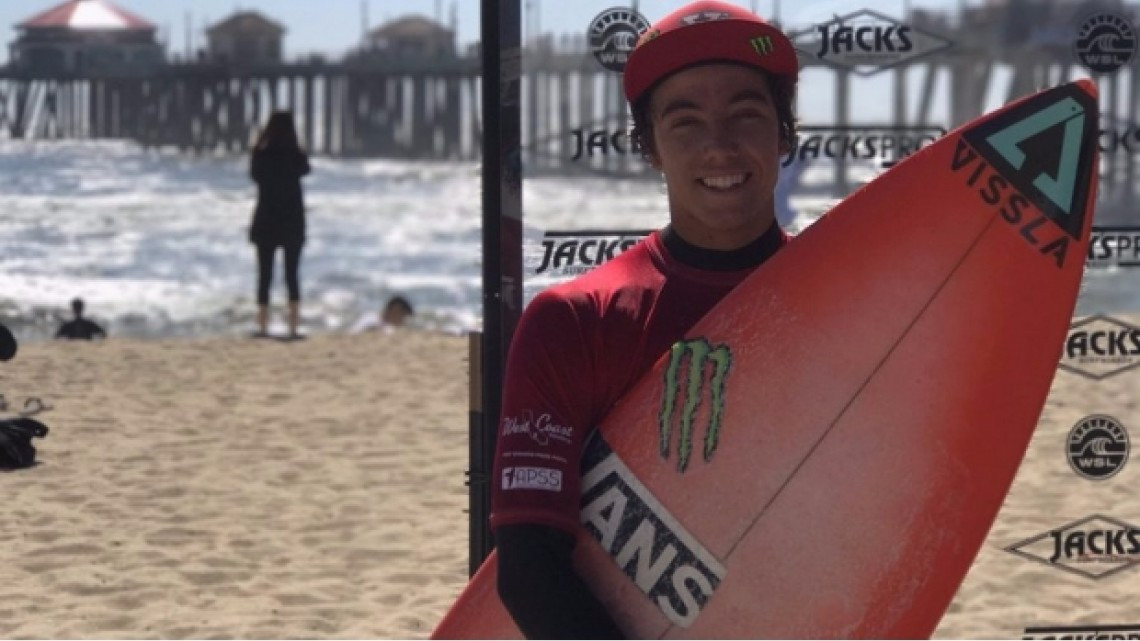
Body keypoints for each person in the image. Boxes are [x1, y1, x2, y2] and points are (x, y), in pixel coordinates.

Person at [489, 1, 799, 637]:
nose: (719, 144)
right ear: (649, 147)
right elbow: (528, 566)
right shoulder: (576, 321)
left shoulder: (851, 298)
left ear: (785, 133)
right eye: (684, 122)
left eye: (746, 113)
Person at [249, 111, 311, 339]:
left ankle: (263, 325)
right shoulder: (296, 155)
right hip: (292, 220)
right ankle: (293, 326)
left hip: (266, 218)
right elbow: (306, 169)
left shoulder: (261, 154)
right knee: (291, 274)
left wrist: (259, 142)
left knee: (264, 274)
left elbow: (254, 175)